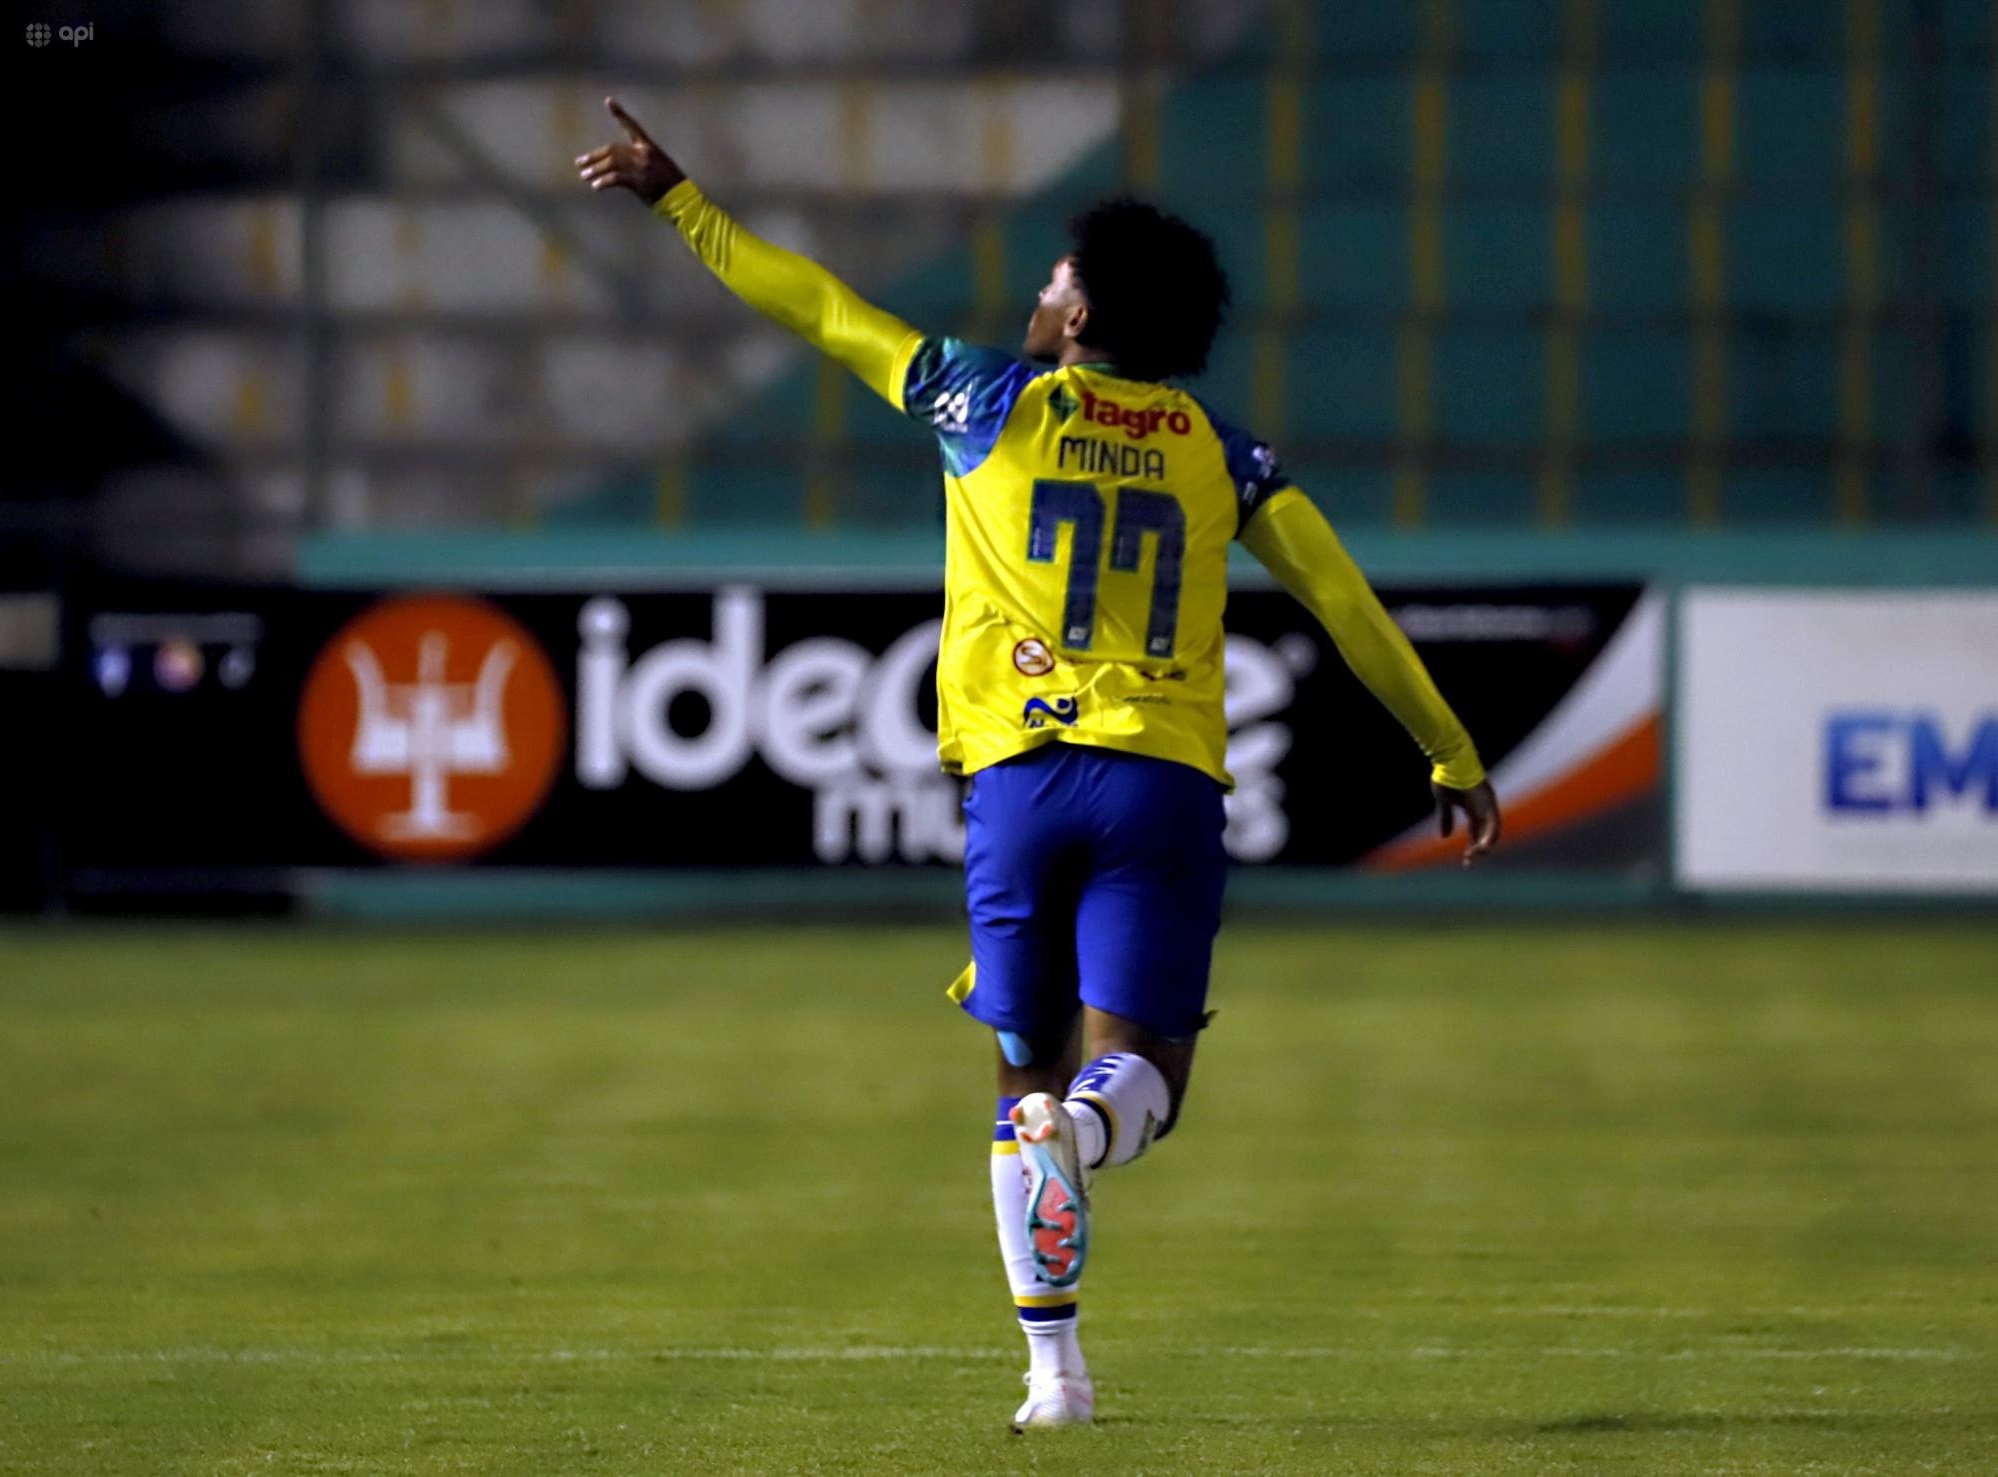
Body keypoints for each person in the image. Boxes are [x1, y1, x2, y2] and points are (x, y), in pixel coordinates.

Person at [577, 97, 1502, 1433]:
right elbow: (1346, 603)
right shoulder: (1226, 458)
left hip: (1015, 787)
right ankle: (1091, 1138)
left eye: (1057, 276)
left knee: (1023, 1086)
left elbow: (822, 311)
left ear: (1078, 319)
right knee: (1148, 1082)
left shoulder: (981, 399)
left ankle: (1053, 1373)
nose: (1040, 287)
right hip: (1159, 784)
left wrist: (683, 202)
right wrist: (1449, 748)